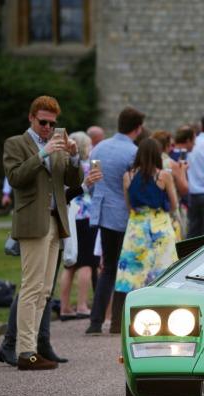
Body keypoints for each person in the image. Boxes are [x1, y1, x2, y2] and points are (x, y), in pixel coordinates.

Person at [2, 95, 84, 369]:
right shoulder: (16, 143)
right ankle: (25, 352)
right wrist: (42, 154)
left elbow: (73, 181)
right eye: (43, 122)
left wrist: (73, 156)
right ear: (31, 118)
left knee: (45, 290)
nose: (48, 127)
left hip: (55, 220)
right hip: (32, 221)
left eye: (52, 123)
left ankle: (33, 348)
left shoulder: (58, 145)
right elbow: (15, 178)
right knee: (32, 286)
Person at [85, 107, 144, 335]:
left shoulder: (99, 147)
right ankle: (119, 321)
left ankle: (96, 320)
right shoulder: (132, 152)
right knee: (125, 266)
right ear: (137, 128)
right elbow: (135, 186)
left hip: (102, 211)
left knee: (107, 268)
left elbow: (93, 177)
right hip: (123, 214)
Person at [113, 138, 178, 296]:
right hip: (160, 224)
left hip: (137, 225)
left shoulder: (128, 175)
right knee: (162, 267)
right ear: (158, 154)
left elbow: (129, 205)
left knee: (136, 270)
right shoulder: (164, 176)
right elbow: (174, 204)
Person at [58, 131, 97, 321]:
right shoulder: (89, 167)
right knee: (87, 263)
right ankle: (82, 305)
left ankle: (64, 306)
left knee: (70, 263)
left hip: (71, 214)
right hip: (86, 215)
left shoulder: (67, 167)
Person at [151, 130, 189, 239]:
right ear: (166, 146)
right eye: (171, 145)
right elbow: (184, 189)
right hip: (170, 210)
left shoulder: (148, 161)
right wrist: (183, 171)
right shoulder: (171, 163)